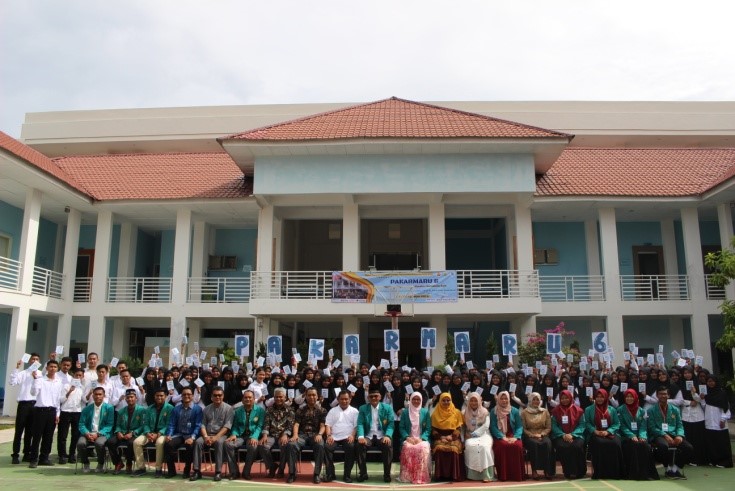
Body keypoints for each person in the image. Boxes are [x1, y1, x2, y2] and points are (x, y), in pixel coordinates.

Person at [646, 385, 694, 479]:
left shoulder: (675, 410)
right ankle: (668, 468)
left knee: (689, 448)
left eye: (665, 394)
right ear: (657, 395)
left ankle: (675, 468)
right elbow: (651, 427)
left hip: (674, 435)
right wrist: (664, 435)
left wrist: (679, 435)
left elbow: (680, 425)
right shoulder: (651, 410)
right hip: (659, 434)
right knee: (663, 446)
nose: (663, 396)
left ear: (668, 395)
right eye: (660, 394)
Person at [190, 386, 233, 481]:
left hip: (221, 435)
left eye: (219, 395)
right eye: (215, 395)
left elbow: (227, 426)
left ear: (223, 396)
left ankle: (218, 472)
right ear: (211, 397)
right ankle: (197, 471)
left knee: (219, 443)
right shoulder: (206, 409)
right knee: (198, 442)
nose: (217, 397)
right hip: (207, 434)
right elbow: (203, 425)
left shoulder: (229, 409)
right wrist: (205, 437)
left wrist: (216, 437)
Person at [28, 359, 65, 468]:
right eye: (51, 367)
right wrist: (35, 380)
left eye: (55, 367)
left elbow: (57, 399)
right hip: (41, 410)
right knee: (36, 436)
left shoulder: (59, 382)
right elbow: (33, 392)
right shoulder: (40, 380)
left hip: (52, 411)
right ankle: (33, 459)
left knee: (48, 436)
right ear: (47, 368)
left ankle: (44, 457)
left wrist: (57, 414)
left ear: (57, 369)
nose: (53, 369)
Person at [287, 387, 327, 484]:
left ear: (317, 396)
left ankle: (317, 474)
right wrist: (295, 435)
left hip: (315, 435)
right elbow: (296, 424)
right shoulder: (300, 410)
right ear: (306, 396)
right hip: (302, 435)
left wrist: (320, 434)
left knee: (320, 445)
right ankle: (292, 473)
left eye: (314, 395)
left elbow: (323, 425)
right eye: (309, 395)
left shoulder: (322, 410)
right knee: (291, 444)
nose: (311, 397)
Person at [617, 389, 658, 480]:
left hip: (639, 436)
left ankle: (645, 474)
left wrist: (642, 436)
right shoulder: (620, 409)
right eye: (627, 397)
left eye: (631, 397)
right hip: (626, 437)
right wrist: (631, 435)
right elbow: (622, 426)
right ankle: (633, 474)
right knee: (633, 446)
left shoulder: (642, 411)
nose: (629, 398)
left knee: (645, 446)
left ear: (635, 398)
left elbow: (644, 426)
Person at [356, 387, 396, 482]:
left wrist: (387, 435)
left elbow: (391, 424)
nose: (374, 398)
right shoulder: (363, 408)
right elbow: (360, 423)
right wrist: (361, 436)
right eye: (371, 396)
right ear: (368, 398)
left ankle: (387, 474)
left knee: (388, 445)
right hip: (368, 436)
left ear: (380, 397)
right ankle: (363, 473)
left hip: (382, 435)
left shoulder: (387, 408)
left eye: (376, 396)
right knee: (359, 445)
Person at [132, 387, 174, 477]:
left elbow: (169, 424)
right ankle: (141, 468)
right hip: (149, 433)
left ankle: (158, 469)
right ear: (154, 397)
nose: (159, 397)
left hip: (162, 434)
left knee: (159, 443)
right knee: (136, 442)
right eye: (157, 396)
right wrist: (147, 433)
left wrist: (159, 434)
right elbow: (145, 423)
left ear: (166, 396)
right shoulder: (149, 408)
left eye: (161, 396)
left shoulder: (170, 408)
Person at [225, 390, 265, 480]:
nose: (248, 399)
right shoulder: (238, 411)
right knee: (228, 444)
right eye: (245, 397)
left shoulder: (260, 411)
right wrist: (234, 434)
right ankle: (234, 472)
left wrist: (255, 437)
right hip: (240, 435)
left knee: (253, 446)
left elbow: (260, 426)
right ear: (242, 399)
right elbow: (235, 425)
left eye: (250, 397)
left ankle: (246, 472)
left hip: (252, 436)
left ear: (254, 399)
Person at [164, 387, 203, 479]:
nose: (186, 396)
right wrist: (169, 435)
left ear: (192, 396)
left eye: (189, 394)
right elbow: (171, 424)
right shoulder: (176, 409)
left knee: (190, 446)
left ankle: (187, 470)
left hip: (191, 435)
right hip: (179, 434)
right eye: (184, 394)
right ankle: (171, 471)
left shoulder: (198, 409)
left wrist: (192, 437)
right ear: (181, 396)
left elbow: (198, 425)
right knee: (168, 444)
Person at [584, 388, 623, 479]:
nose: (600, 399)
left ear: (605, 398)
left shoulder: (612, 409)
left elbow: (617, 423)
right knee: (600, 443)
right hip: (595, 433)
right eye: (597, 397)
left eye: (602, 397)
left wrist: (608, 431)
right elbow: (587, 423)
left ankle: (614, 472)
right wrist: (595, 431)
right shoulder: (588, 409)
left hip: (609, 433)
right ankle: (600, 472)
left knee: (616, 443)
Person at [107, 389, 147, 474]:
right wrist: (118, 432)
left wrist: (132, 433)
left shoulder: (142, 410)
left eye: (132, 397)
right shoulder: (121, 411)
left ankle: (129, 463)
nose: (130, 399)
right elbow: (117, 425)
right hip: (123, 433)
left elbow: (143, 426)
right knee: (110, 442)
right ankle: (118, 463)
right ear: (125, 399)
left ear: (136, 398)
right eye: (128, 397)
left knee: (131, 443)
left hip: (134, 434)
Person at [9, 353, 40, 464]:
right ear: (29, 360)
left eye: (37, 359)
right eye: (33, 359)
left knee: (30, 432)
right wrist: (17, 367)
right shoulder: (23, 373)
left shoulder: (40, 374)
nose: (34, 361)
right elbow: (12, 382)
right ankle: (15, 454)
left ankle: (27, 453)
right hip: (23, 404)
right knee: (19, 431)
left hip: (35, 405)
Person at [259, 387, 296, 479]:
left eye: (281, 397)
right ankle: (272, 466)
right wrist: (264, 435)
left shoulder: (290, 410)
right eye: (276, 397)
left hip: (283, 435)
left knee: (285, 445)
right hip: (271, 435)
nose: (278, 399)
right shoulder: (269, 409)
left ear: (285, 397)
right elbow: (266, 424)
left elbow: (290, 425)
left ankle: (281, 469)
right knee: (262, 445)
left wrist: (285, 435)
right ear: (274, 398)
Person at [76, 386, 115, 473]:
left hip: (102, 433)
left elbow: (109, 425)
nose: (98, 396)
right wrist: (86, 433)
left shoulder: (109, 408)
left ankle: (100, 463)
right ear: (92, 396)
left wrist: (98, 434)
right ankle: (85, 463)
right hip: (88, 433)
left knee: (99, 443)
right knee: (80, 443)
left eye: (100, 394)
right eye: (96, 394)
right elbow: (81, 424)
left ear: (104, 395)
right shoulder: (86, 409)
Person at [550, 389, 587, 479]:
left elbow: (582, 425)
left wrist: (572, 434)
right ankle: (568, 471)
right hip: (560, 435)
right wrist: (563, 434)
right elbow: (554, 426)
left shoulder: (579, 410)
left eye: (566, 398)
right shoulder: (555, 411)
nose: (564, 400)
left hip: (576, 435)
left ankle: (580, 471)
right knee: (562, 446)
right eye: (562, 398)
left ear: (570, 398)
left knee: (576, 446)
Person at [324, 390, 359, 483]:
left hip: (348, 437)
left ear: (350, 399)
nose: (344, 401)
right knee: (327, 447)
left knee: (351, 447)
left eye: (346, 399)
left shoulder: (355, 411)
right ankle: (330, 474)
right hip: (334, 436)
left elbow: (356, 426)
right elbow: (327, 425)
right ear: (338, 400)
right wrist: (328, 435)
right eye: (342, 399)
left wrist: (352, 435)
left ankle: (347, 475)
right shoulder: (332, 410)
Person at [490, 391, 525, 481]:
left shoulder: (515, 411)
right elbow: (493, 427)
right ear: (498, 399)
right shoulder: (494, 411)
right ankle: (504, 475)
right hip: (500, 436)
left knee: (517, 446)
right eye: (501, 398)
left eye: (506, 398)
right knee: (503, 445)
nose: (504, 400)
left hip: (512, 435)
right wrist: (502, 437)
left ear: (509, 399)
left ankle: (517, 475)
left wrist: (515, 437)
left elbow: (519, 426)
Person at [397, 392, 431, 484]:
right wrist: (407, 437)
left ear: (421, 400)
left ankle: (421, 476)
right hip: (409, 439)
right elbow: (401, 427)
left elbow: (428, 429)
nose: (416, 401)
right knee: (408, 447)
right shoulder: (405, 412)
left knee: (422, 448)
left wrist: (422, 438)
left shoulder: (425, 412)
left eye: (418, 399)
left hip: (421, 439)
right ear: (411, 400)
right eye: (414, 399)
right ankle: (407, 476)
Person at [430, 392, 465, 482]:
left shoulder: (456, 412)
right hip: (439, 437)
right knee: (439, 448)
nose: (446, 402)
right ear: (440, 401)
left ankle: (454, 475)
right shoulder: (435, 413)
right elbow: (433, 430)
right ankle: (440, 476)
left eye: (448, 400)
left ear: (451, 400)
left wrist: (452, 437)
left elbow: (459, 428)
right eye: (444, 400)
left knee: (454, 449)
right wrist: (441, 437)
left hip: (453, 437)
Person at [521, 391, 555, 479]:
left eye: (538, 400)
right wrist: (532, 435)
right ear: (530, 400)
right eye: (534, 400)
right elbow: (523, 428)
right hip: (530, 435)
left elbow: (548, 427)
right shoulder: (525, 412)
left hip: (543, 434)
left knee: (547, 443)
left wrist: (542, 434)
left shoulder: (545, 411)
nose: (536, 401)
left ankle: (547, 470)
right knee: (534, 444)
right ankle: (534, 470)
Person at [701, 375, 733, 468]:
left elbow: (726, 408)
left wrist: (723, 419)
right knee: (712, 442)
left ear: (716, 382)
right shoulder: (707, 394)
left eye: (712, 381)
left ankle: (725, 462)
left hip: (719, 421)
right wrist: (702, 399)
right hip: (709, 421)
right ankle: (714, 460)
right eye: (708, 381)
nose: (710, 383)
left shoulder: (722, 393)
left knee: (722, 442)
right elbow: (704, 406)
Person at [463, 392, 495, 482]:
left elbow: (486, 426)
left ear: (479, 401)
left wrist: (474, 434)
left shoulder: (485, 411)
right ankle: (473, 475)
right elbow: (462, 427)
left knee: (484, 447)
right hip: (469, 436)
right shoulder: (465, 412)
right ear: (468, 401)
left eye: (475, 401)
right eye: (471, 400)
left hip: (484, 435)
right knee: (470, 446)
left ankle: (487, 475)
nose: (473, 403)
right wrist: (463, 438)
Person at [58, 367, 85, 464]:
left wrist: (90, 393)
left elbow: (85, 400)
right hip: (65, 411)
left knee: (75, 435)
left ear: (83, 377)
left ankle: (72, 454)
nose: (78, 377)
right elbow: (61, 400)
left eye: (80, 376)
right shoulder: (66, 386)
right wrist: (69, 391)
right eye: (76, 375)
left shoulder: (82, 388)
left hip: (77, 412)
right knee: (62, 435)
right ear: (73, 376)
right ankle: (62, 455)